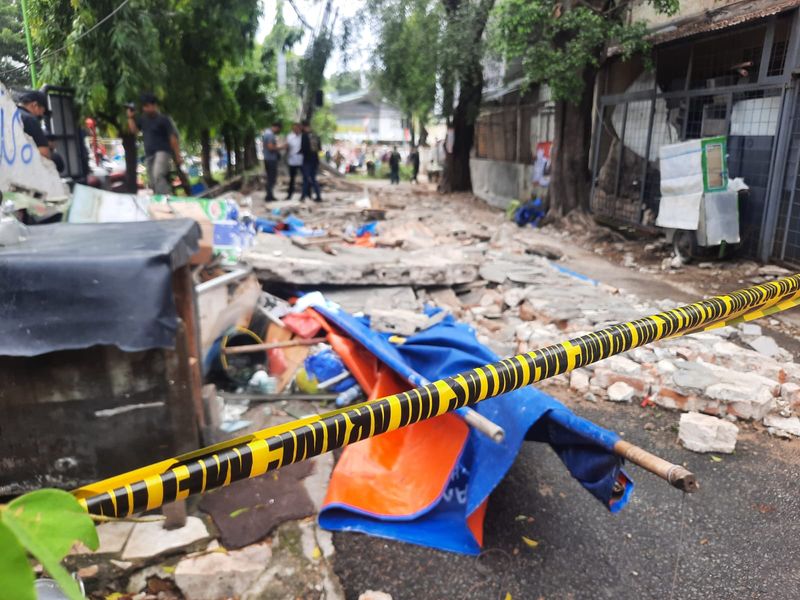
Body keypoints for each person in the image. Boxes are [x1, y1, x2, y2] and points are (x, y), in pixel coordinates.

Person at [127, 93, 183, 194]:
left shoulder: (164, 119)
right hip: (149, 154)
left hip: (163, 152)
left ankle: (166, 198)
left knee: (158, 174)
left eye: (149, 106)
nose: (147, 109)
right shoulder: (143, 119)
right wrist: (130, 118)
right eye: (145, 107)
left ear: (154, 106)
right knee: (152, 182)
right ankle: (159, 199)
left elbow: (173, 138)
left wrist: (178, 156)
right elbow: (134, 131)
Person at [17, 91, 50, 160]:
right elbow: (44, 153)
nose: (41, 116)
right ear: (35, 105)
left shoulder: (9, 115)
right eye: (42, 112)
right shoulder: (30, 119)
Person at [300, 120, 322, 202]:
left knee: (306, 179)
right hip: (315, 160)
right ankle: (318, 196)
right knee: (313, 178)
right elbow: (319, 148)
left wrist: (300, 152)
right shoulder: (315, 135)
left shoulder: (304, 136)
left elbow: (303, 148)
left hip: (307, 160)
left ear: (304, 127)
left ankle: (303, 196)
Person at [262, 122, 283, 202]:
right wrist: (281, 147)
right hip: (271, 159)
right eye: (279, 129)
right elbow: (270, 147)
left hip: (267, 159)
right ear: (276, 127)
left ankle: (269, 195)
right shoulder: (270, 135)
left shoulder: (266, 133)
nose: (278, 131)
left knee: (270, 177)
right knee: (271, 178)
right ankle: (269, 196)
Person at [285, 122, 303, 200]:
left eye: (297, 128)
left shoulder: (303, 137)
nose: (295, 130)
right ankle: (290, 194)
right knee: (292, 179)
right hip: (292, 161)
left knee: (304, 178)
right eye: (294, 128)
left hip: (302, 161)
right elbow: (287, 147)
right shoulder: (290, 136)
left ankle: (305, 195)